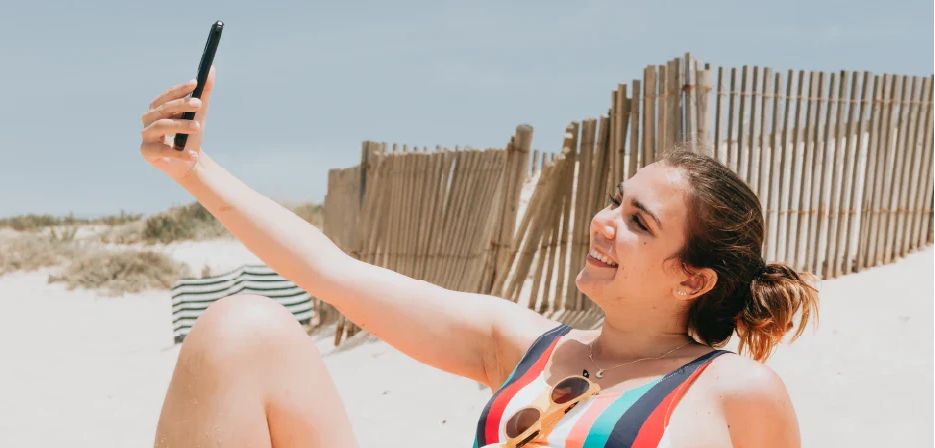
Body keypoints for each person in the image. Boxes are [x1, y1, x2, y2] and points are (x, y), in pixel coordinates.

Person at [141, 67, 819, 448]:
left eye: (638, 222)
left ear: (692, 279)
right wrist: (195, 171)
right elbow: (331, 272)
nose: (604, 222)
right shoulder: (523, 345)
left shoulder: (735, 392)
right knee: (240, 329)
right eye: (616, 200)